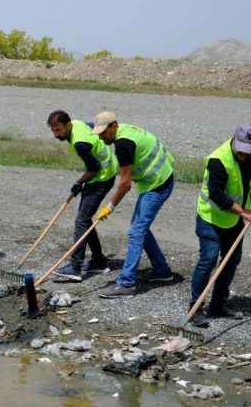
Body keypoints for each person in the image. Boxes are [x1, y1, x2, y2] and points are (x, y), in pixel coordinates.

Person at [189, 125, 251, 327]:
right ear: (233, 141)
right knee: (208, 260)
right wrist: (244, 213)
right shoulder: (218, 160)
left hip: (236, 221)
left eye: (246, 151)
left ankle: (217, 306)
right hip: (211, 218)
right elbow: (216, 194)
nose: (243, 155)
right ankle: (195, 308)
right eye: (240, 151)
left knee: (231, 261)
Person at [91, 112, 175, 298]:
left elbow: (125, 184)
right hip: (157, 178)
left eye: (104, 132)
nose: (102, 136)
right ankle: (162, 272)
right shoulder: (123, 131)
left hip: (158, 183)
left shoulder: (123, 144)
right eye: (99, 133)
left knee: (136, 231)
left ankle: (126, 283)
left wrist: (109, 207)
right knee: (140, 228)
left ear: (114, 126)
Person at [47, 110, 118, 282]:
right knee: (84, 220)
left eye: (58, 130)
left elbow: (94, 168)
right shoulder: (78, 123)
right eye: (53, 130)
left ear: (68, 124)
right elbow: (93, 128)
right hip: (105, 172)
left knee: (81, 221)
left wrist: (78, 183)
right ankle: (99, 261)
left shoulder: (80, 143)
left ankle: (76, 267)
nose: (56, 134)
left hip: (103, 177)